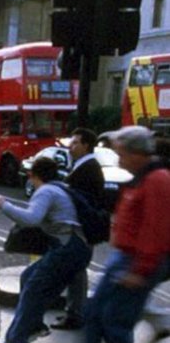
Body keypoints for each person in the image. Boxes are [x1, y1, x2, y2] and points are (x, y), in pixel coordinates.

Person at [53, 126, 170, 343]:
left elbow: (157, 230)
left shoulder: (158, 180)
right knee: (95, 312)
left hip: (137, 260)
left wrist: (140, 270)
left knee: (115, 319)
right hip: (124, 257)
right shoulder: (142, 177)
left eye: (121, 153)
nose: (118, 159)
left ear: (136, 153)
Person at [0, 155, 92, 343]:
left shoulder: (45, 191)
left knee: (34, 288)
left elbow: (31, 219)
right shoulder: (60, 188)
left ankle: (17, 340)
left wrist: (3, 204)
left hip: (67, 248)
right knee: (28, 277)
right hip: (75, 247)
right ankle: (35, 326)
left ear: (32, 175)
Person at [51, 127, 106, 330]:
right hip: (81, 229)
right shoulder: (83, 165)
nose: (70, 147)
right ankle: (75, 312)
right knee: (76, 271)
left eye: (75, 143)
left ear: (86, 145)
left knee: (75, 271)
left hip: (81, 229)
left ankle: (75, 315)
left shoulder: (88, 168)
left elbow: (80, 201)